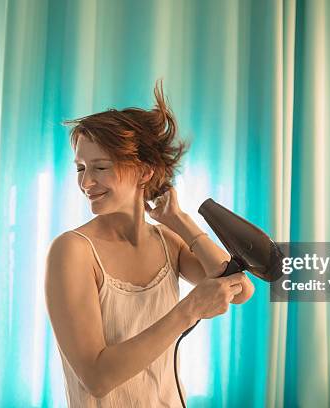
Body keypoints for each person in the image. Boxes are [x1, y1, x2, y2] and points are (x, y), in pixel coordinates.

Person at [45, 79, 255, 407]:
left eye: (100, 167)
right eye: (81, 168)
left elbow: (240, 289)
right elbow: (97, 379)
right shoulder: (73, 251)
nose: (86, 182)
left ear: (144, 172)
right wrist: (189, 310)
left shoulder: (167, 242)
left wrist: (180, 221)